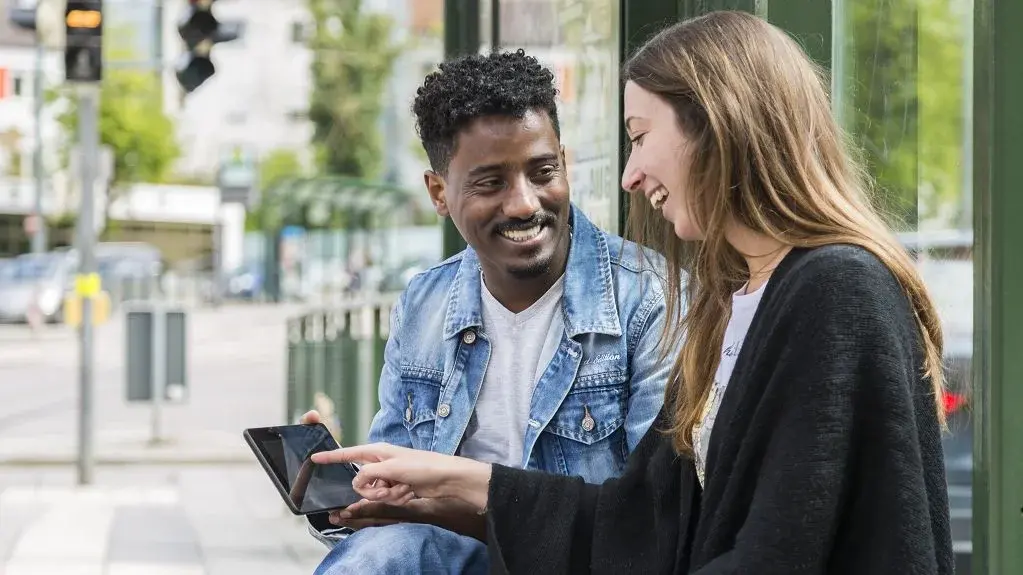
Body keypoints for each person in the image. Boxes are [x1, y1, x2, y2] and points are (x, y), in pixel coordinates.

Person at [312, 11, 955, 575]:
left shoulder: (834, 290)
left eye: (641, 136)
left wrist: (471, 489)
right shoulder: (731, 302)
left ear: (717, 126)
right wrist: (444, 482)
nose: (629, 174)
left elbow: (770, 548)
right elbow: (651, 518)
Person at [307, 49, 677, 574]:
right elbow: (399, 499)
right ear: (439, 192)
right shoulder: (425, 303)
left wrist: (469, 501)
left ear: (565, 165)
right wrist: (349, 494)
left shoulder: (651, 297)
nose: (525, 203)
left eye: (542, 171)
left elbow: (652, 518)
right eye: (490, 183)